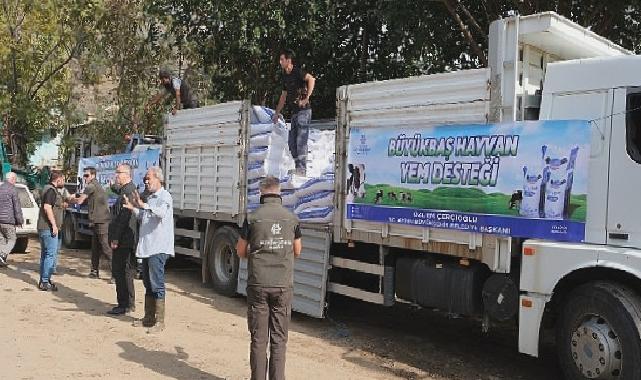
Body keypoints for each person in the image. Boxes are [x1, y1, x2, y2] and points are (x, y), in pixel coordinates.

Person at [236, 176, 302, 380]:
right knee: (279, 339)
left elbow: (240, 251)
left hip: (258, 283)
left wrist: (258, 255)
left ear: (261, 192)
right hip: (282, 284)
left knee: (258, 339)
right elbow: (297, 250)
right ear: (279, 192)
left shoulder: (252, 217)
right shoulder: (292, 219)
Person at [123, 166, 173, 332]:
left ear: (159, 179)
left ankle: (160, 321)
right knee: (147, 283)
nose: (146, 181)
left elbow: (160, 213)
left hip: (158, 248)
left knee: (156, 283)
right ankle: (149, 317)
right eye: (145, 179)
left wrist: (143, 205)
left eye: (148, 178)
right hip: (147, 247)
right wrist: (134, 208)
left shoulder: (165, 197)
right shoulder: (150, 198)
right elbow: (145, 217)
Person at [272, 49, 316, 176]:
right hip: (295, 112)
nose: (280, 62)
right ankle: (298, 168)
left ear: (288, 60)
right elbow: (283, 95)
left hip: (304, 111)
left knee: (301, 141)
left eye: (282, 59)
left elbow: (311, 79)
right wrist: (277, 113)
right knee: (292, 143)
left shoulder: (297, 72)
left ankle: (302, 170)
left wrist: (307, 97)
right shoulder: (285, 76)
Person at [107, 164, 138, 315]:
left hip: (124, 239)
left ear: (127, 174)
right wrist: (113, 187)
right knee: (125, 272)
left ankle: (125, 304)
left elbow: (123, 218)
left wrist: (115, 238)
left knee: (122, 272)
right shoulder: (128, 189)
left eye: (118, 173)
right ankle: (127, 303)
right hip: (125, 238)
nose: (116, 175)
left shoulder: (128, 192)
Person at [73, 167, 111, 278]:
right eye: (84, 176)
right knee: (95, 247)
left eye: (87, 175)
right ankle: (94, 271)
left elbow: (80, 201)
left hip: (101, 221)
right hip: (96, 220)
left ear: (93, 175)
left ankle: (115, 273)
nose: (85, 178)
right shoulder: (96, 185)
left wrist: (67, 199)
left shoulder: (91, 186)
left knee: (105, 248)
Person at [37, 172, 66, 291]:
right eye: (63, 179)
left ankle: (45, 279)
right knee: (50, 255)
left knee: (45, 255)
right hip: (48, 228)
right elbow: (47, 207)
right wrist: (54, 225)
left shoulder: (48, 189)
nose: (64, 182)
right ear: (58, 179)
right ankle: (44, 281)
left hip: (43, 227)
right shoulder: (51, 191)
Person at [0, 172, 23, 267]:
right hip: (8, 220)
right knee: (12, 239)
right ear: (12, 179)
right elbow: (16, 207)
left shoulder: (0, 188)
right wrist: (20, 220)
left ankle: (1, 260)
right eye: (15, 179)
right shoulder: (12, 189)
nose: (15, 181)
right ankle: (2, 255)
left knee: (1, 240)